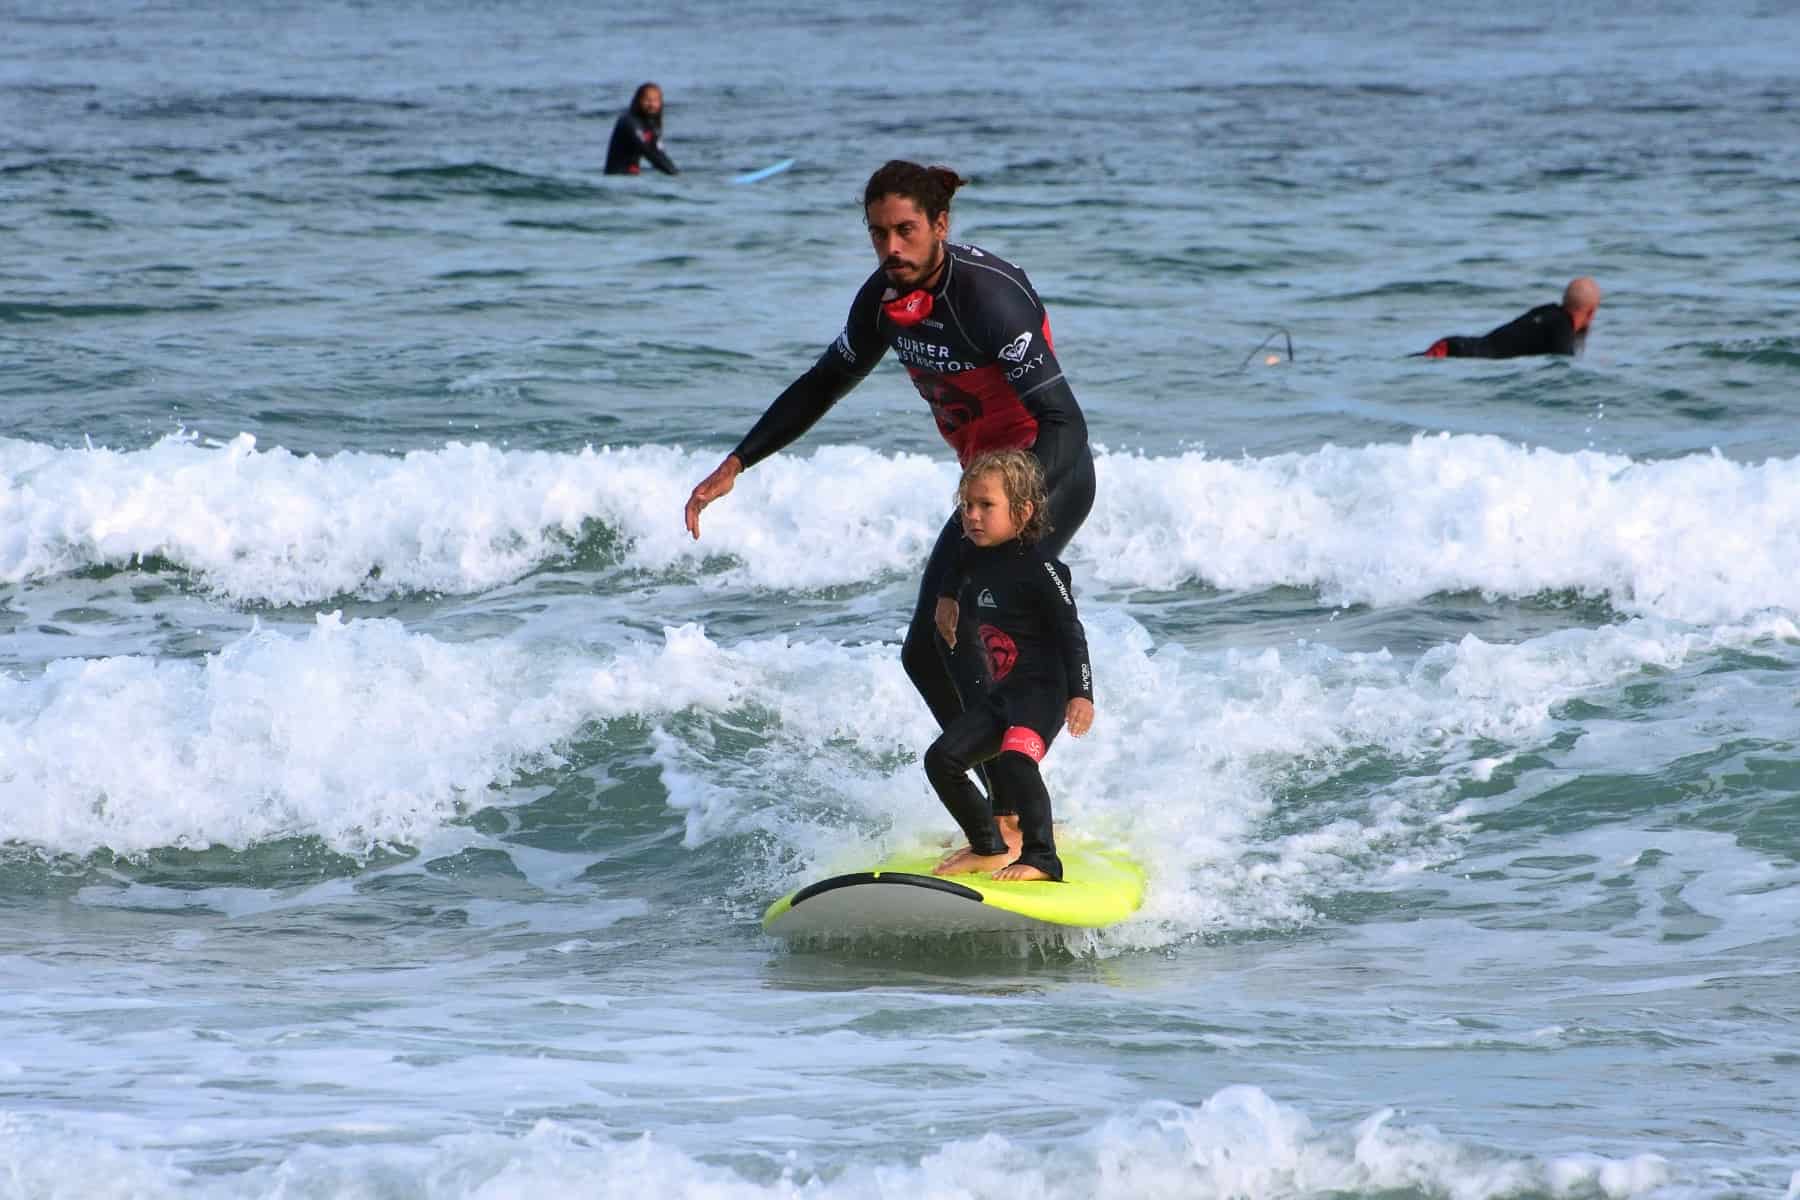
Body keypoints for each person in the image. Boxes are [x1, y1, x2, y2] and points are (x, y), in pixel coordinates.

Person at [683, 160, 1095, 859]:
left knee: (967, 637)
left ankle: (1016, 821)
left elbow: (1065, 424)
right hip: (986, 492)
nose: (891, 249)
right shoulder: (883, 300)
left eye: (906, 231)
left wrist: (1014, 507)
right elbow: (823, 384)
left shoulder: (988, 299)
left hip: (1042, 483)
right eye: (878, 235)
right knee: (927, 650)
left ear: (940, 225)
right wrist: (737, 461)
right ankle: (1003, 810)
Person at [925, 450, 1093, 881]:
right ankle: (988, 845)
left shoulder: (1043, 568)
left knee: (1018, 763)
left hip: (1043, 694)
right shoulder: (973, 551)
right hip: (1004, 695)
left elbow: (1071, 632)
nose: (973, 516)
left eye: (986, 505)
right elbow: (955, 562)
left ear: (1023, 511)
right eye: (967, 506)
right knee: (941, 759)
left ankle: (1042, 858)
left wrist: (1081, 695)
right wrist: (946, 600)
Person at [1416, 277, 1601, 359]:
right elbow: (1561, 371)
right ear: (1591, 312)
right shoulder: (1562, 328)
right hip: (1458, 355)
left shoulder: (1546, 312)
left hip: (1454, 346)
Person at [604, 83, 678, 176]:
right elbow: (649, 151)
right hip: (617, 179)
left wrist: (675, 173)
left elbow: (658, 152)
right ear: (638, 101)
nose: (652, 104)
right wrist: (675, 174)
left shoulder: (650, 123)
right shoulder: (629, 121)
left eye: (656, 100)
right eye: (647, 100)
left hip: (631, 178)